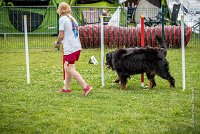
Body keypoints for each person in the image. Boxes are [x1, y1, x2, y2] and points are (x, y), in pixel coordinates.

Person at [54, 2, 92, 96]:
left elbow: (61, 35)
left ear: (60, 10)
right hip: (76, 46)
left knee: (68, 68)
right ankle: (66, 88)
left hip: (70, 47)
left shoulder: (62, 19)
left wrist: (57, 43)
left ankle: (85, 86)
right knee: (68, 66)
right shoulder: (72, 18)